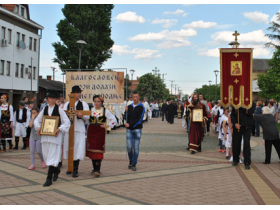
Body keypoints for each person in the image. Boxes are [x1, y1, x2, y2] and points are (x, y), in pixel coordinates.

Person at [34, 90, 70, 187]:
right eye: (50, 98)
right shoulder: (44, 109)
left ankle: (48, 178)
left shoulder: (59, 110)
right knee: (47, 156)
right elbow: (37, 120)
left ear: (56, 99)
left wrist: (59, 129)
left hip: (55, 137)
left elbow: (67, 122)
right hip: (45, 137)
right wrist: (38, 128)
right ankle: (56, 170)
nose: (52, 100)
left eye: (54, 98)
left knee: (53, 157)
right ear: (48, 99)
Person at [86, 95, 117, 177]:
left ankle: (98, 169)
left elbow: (114, 119)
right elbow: (85, 118)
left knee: (98, 149)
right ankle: (94, 168)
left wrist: (107, 125)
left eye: (98, 101)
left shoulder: (105, 110)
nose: (96, 103)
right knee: (92, 149)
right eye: (95, 101)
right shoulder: (90, 110)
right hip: (91, 130)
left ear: (101, 102)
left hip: (100, 131)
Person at [63, 86, 90, 178]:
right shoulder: (67, 104)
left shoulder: (83, 104)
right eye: (77, 92)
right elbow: (63, 116)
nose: (79, 94)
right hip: (69, 129)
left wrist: (82, 115)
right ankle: (70, 168)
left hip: (79, 129)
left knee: (78, 149)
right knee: (69, 149)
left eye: (79, 92)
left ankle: (75, 169)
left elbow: (88, 116)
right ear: (73, 94)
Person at [231, 102, 256, 170]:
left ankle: (247, 162)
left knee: (246, 144)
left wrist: (243, 107)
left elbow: (250, 112)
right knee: (236, 143)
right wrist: (235, 123)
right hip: (238, 127)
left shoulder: (252, 103)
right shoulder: (236, 102)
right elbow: (232, 115)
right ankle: (235, 159)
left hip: (247, 127)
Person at [124, 91, 145, 171]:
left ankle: (134, 163)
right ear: (132, 98)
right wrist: (125, 112)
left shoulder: (141, 107)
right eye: (133, 97)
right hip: (129, 130)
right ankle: (131, 160)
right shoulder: (129, 106)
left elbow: (140, 119)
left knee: (136, 147)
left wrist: (131, 125)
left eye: (136, 97)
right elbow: (126, 118)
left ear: (139, 97)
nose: (135, 98)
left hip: (137, 129)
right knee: (129, 147)